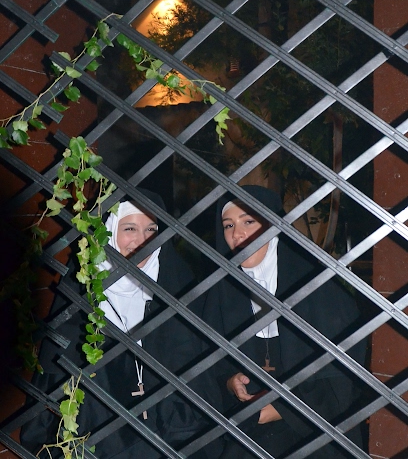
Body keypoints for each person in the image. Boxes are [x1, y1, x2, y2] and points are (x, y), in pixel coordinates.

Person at [20, 189, 207, 458]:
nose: (141, 241)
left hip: (167, 438)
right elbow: (57, 375)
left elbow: (193, 372)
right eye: (130, 228)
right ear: (109, 231)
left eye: (151, 229)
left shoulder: (177, 283)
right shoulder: (83, 288)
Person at [200, 184, 366, 458]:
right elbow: (208, 369)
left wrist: (282, 409)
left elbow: (341, 383)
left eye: (248, 222)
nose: (237, 234)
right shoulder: (221, 294)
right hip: (248, 431)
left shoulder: (318, 290)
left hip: (315, 434)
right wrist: (230, 382)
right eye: (228, 225)